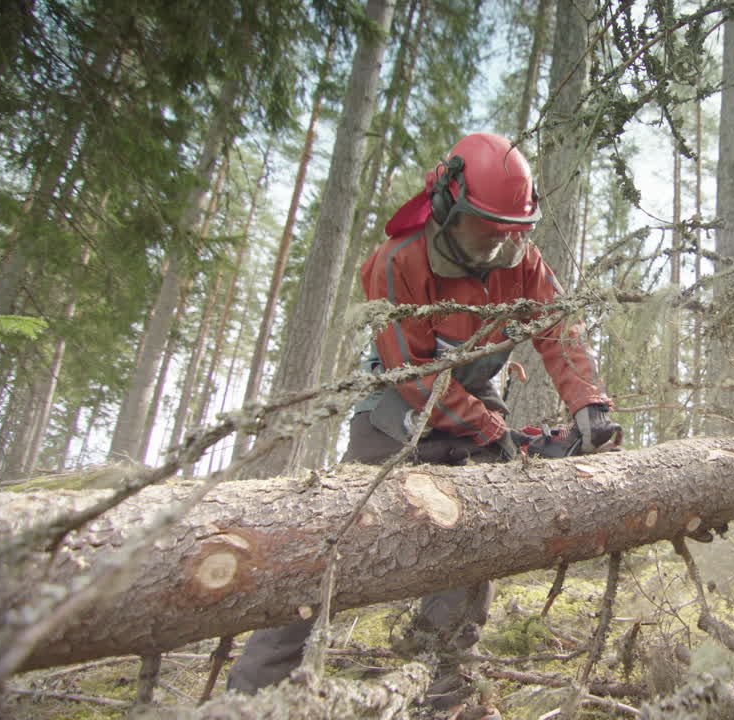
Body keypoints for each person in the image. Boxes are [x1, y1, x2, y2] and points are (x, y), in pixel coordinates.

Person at [227, 133, 619, 716]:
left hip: (477, 392)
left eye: (513, 229)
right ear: (449, 206)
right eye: (488, 226)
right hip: (394, 404)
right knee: (337, 537)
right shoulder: (396, 262)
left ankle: (442, 689)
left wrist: (588, 403)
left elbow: (559, 329)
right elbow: (413, 372)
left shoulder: (523, 259)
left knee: (475, 540)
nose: (501, 241)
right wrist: (488, 428)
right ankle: (257, 691)